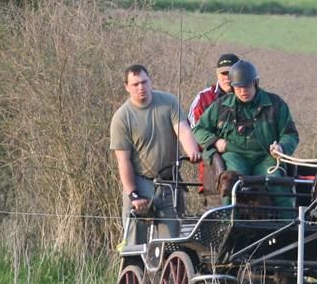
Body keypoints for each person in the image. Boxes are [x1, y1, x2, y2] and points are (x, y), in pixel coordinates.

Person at [110, 64, 201, 245]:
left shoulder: (169, 102)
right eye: (135, 84)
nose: (141, 87)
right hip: (140, 182)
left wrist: (192, 150)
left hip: (168, 181)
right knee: (134, 242)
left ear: (150, 82)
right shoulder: (122, 118)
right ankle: (134, 268)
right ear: (126, 87)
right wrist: (133, 194)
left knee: (172, 243)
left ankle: (166, 271)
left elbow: (182, 130)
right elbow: (123, 161)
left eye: (144, 82)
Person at [193, 59, 299, 211]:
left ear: (255, 83)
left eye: (247, 86)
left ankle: (287, 226)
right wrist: (215, 141)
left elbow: (290, 134)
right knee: (232, 182)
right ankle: (228, 224)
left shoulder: (275, 104)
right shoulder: (221, 106)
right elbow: (199, 129)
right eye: (239, 87)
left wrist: (281, 147)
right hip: (235, 155)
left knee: (277, 182)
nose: (243, 91)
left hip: (266, 157)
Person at [188, 53, 240, 193]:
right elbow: (194, 132)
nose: (227, 78)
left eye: (231, 73)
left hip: (243, 164)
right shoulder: (204, 98)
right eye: (223, 73)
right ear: (217, 74)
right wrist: (216, 143)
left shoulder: (249, 97)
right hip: (212, 169)